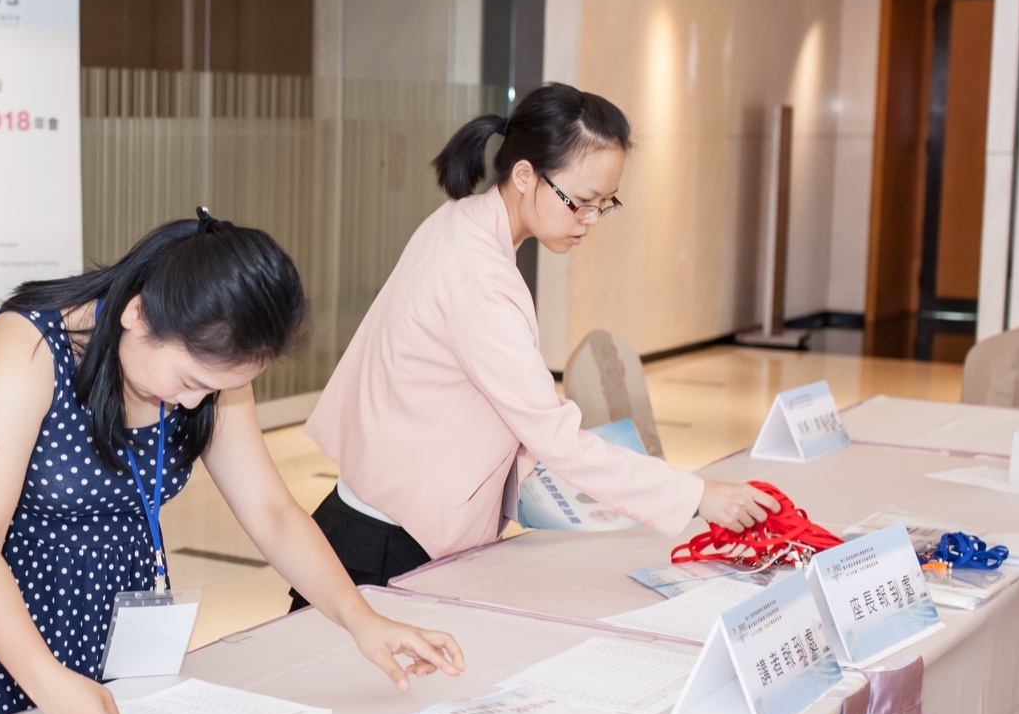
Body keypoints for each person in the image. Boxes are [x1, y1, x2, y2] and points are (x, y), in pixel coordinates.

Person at [0, 212, 465, 714]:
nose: (195, 403)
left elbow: (271, 513)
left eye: (211, 390)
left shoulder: (212, 369)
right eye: (190, 380)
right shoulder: (29, 347)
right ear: (137, 315)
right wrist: (49, 683)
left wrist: (361, 618)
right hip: (3, 636)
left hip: (117, 632)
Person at [303, 82, 778, 587]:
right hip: (387, 545)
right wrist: (698, 495)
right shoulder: (481, 279)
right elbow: (556, 439)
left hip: (373, 517)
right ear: (525, 175)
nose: (590, 220)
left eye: (605, 203)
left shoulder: (461, 220)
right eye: (581, 202)